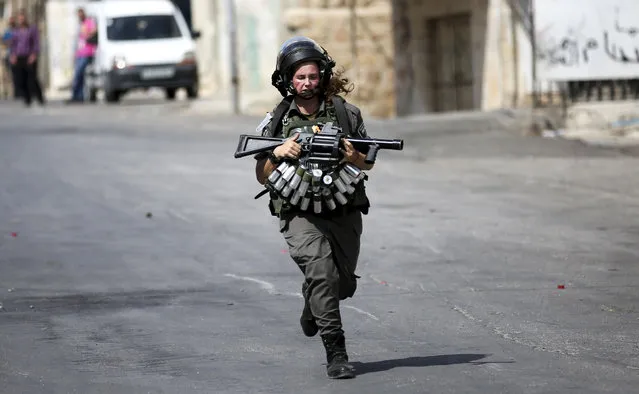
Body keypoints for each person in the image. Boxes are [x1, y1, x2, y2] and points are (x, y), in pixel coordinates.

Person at [253, 36, 374, 380]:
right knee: (321, 273)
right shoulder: (276, 121)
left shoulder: (346, 114)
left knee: (343, 285)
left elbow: (367, 163)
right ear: (287, 80)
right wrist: (278, 153)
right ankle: (337, 352)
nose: (307, 84)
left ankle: (313, 303)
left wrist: (354, 156)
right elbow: (261, 176)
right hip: (298, 211)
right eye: (299, 78)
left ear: (322, 75)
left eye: (312, 76)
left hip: (342, 206)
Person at [9, 11, 45, 107]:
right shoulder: (16, 31)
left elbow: (36, 43)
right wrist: (13, 55)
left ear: (26, 19)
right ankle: (27, 99)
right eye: (20, 19)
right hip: (19, 56)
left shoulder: (32, 29)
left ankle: (40, 97)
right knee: (21, 79)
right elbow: (13, 44)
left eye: (23, 18)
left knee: (32, 79)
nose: (21, 20)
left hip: (29, 56)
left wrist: (34, 54)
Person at [68, 7, 97, 103]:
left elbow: (94, 30)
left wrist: (87, 33)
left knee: (79, 74)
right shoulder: (79, 24)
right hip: (80, 53)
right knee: (78, 75)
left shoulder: (89, 22)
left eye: (81, 14)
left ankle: (77, 95)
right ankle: (78, 96)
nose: (80, 16)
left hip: (87, 52)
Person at [2, 15, 22, 99]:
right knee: (7, 74)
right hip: (8, 55)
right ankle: (7, 92)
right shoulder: (7, 31)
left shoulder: (18, 31)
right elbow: (4, 41)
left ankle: (17, 92)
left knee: (17, 74)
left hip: (17, 55)